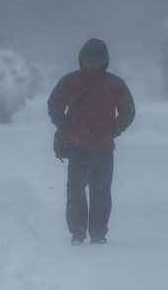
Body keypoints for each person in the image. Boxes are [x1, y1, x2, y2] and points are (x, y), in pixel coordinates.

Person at [47, 38, 136, 245]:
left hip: (101, 148)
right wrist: (64, 126)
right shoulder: (74, 81)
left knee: (100, 192)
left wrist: (115, 128)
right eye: (89, 61)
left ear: (104, 62)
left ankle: (98, 232)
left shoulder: (113, 84)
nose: (92, 66)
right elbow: (55, 104)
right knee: (78, 190)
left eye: (96, 62)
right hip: (80, 147)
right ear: (82, 60)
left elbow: (128, 112)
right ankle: (78, 232)